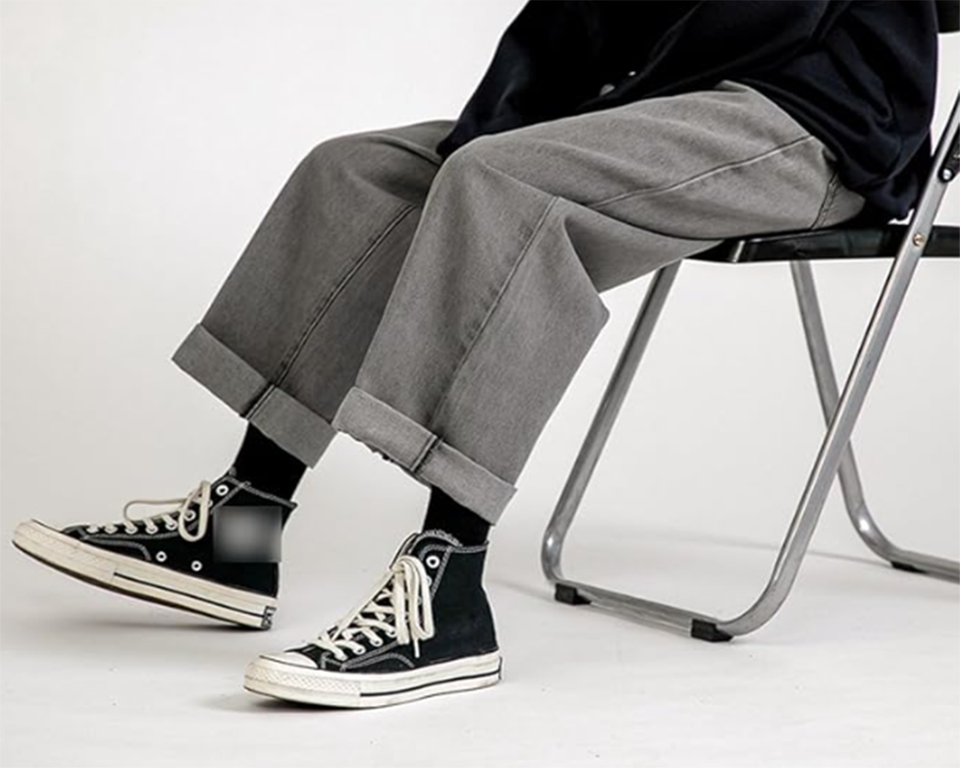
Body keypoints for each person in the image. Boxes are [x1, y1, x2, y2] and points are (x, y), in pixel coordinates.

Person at [12, 0, 941, 709]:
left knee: (503, 187)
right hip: (669, 99)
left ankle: (451, 593)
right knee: (362, 173)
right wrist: (489, 128)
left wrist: (511, 147)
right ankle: (241, 530)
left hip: (813, 123)